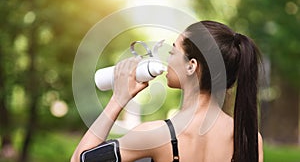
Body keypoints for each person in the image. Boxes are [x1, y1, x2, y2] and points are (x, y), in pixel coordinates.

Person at [71, 20, 264, 162]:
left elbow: (80, 160)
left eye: (173, 52)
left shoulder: (156, 135)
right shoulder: (249, 137)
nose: (168, 59)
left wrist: (118, 99)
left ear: (191, 66)